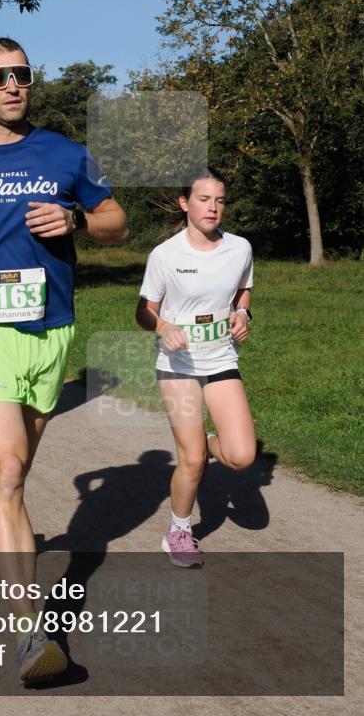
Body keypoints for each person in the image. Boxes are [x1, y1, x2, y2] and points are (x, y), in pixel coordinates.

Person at [0, 37, 129, 685]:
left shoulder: (65, 153)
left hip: (49, 328)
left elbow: (116, 221)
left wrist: (77, 222)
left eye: (22, 75)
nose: (13, 86)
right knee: (11, 468)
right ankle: (27, 631)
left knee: (13, 470)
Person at [135, 167, 256, 569]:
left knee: (241, 456)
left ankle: (201, 441)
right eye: (204, 199)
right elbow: (144, 311)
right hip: (178, 364)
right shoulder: (165, 255)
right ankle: (179, 532)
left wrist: (243, 313)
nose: (213, 208)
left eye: (220, 200)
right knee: (190, 460)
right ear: (185, 203)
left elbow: (243, 290)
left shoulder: (240, 248)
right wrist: (163, 326)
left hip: (221, 357)